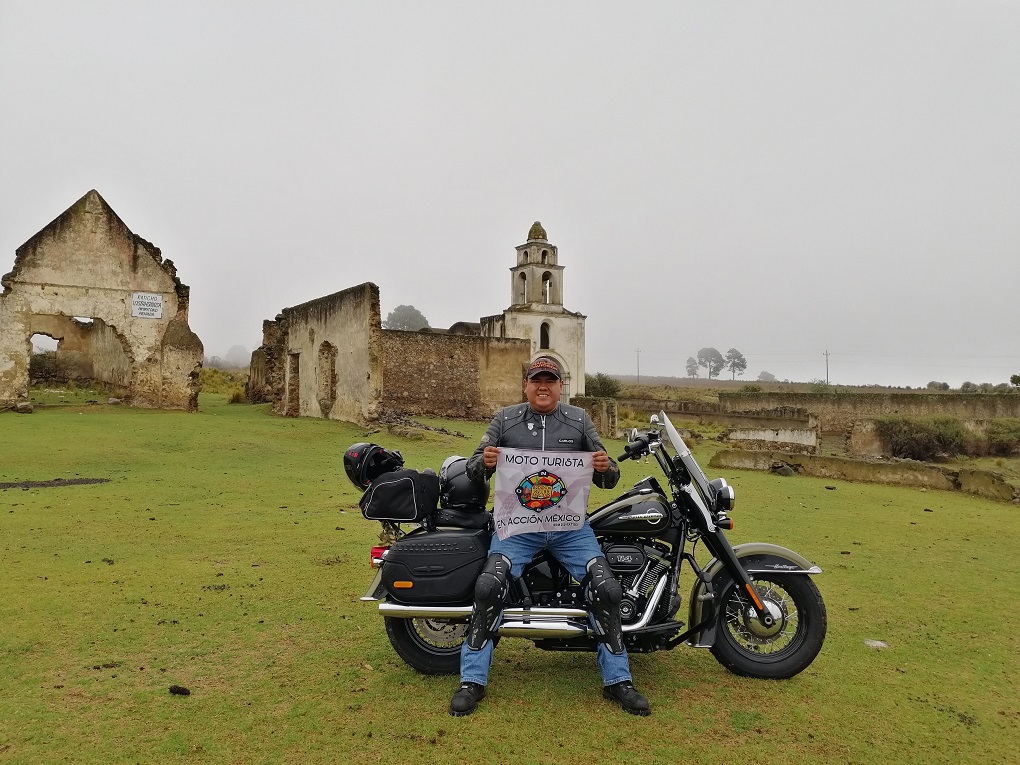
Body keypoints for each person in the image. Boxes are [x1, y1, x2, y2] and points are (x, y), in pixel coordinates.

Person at [449, 356, 650, 717]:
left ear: (560, 386)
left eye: (551, 380)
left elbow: (609, 475)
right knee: (488, 586)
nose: (544, 386)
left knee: (606, 588)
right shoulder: (505, 419)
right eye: (536, 380)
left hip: (570, 530)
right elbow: (474, 466)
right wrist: (488, 461)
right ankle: (471, 681)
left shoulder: (579, 420)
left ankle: (618, 680)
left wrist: (606, 467)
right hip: (516, 529)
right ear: (525, 385)